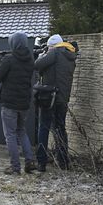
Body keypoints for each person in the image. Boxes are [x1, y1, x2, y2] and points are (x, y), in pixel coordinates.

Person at [0, 32, 36, 175]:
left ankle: (15, 167)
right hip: (24, 103)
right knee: (21, 131)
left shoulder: (9, 59)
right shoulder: (30, 60)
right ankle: (29, 161)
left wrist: (1, 63)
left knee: (10, 134)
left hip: (9, 103)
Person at [34, 33, 77, 171]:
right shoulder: (70, 55)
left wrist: (43, 54)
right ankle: (63, 161)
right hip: (63, 98)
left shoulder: (55, 53)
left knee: (44, 127)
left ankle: (41, 162)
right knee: (60, 128)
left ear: (52, 46)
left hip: (50, 97)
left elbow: (38, 64)